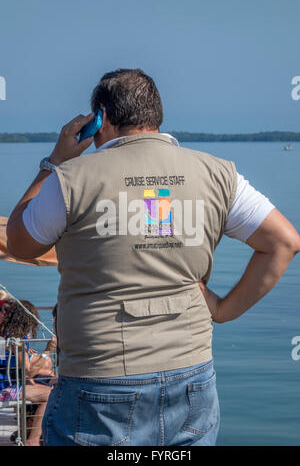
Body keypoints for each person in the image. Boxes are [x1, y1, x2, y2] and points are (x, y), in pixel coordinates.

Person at [6, 69, 300, 446]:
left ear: (100, 119)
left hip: (101, 381)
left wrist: (53, 162)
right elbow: (284, 242)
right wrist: (223, 310)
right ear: (155, 115)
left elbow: (19, 243)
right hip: (191, 376)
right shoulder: (218, 173)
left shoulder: (71, 178)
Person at [0, 296, 55, 446]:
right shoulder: (16, 342)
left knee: (48, 382)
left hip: (11, 384)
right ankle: (33, 439)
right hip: (6, 390)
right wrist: (48, 351)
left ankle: (27, 430)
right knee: (51, 395)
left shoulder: (11, 338)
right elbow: (28, 371)